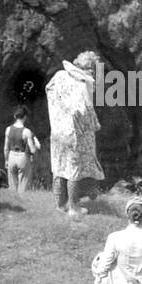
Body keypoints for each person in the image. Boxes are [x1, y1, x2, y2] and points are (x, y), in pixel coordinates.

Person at [46, 51, 105, 217]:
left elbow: (49, 90)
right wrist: (95, 124)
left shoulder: (59, 76)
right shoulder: (83, 83)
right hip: (75, 134)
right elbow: (84, 109)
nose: (93, 72)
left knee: (59, 167)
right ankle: (73, 208)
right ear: (86, 68)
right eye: (92, 68)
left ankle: (60, 205)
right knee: (74, 170)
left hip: (58, 131)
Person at [2, 105, 41, 193]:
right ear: (25, 117)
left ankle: (14, 203)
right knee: (23, 185)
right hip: (23, 158)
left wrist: (6, 160)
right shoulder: (27, 132)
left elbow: (6, 148)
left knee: (12, 185)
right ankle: (22, 200)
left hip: (11, 156)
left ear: (15, 116)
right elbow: (32, 150)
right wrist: (37, 146)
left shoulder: (8, 129)